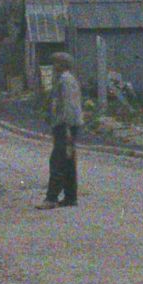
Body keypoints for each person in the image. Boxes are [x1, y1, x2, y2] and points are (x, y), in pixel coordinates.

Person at [39, 51, 82, 209]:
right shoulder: (65, 80)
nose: (53, 66)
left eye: (56, 63)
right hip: (67, 125)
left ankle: (51, 198)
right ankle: (70, 197)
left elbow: (69, 106)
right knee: (68, 161)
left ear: (62, 65)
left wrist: (66, 127)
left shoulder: (65, 81)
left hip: (65, 126)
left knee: (58, 160)